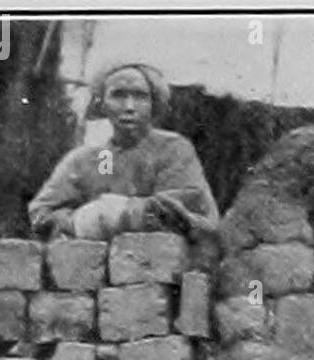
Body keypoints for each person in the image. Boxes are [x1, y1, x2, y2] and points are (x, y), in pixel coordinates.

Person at [28, 61, 217, 240]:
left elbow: (184, 207)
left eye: (140, 96)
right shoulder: (87, 159)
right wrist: (81, 221)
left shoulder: (172, 149)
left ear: (154, 103)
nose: (129, 107)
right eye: (118, 95)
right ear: (101, 104)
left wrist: (122, 214)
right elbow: (42, 213)